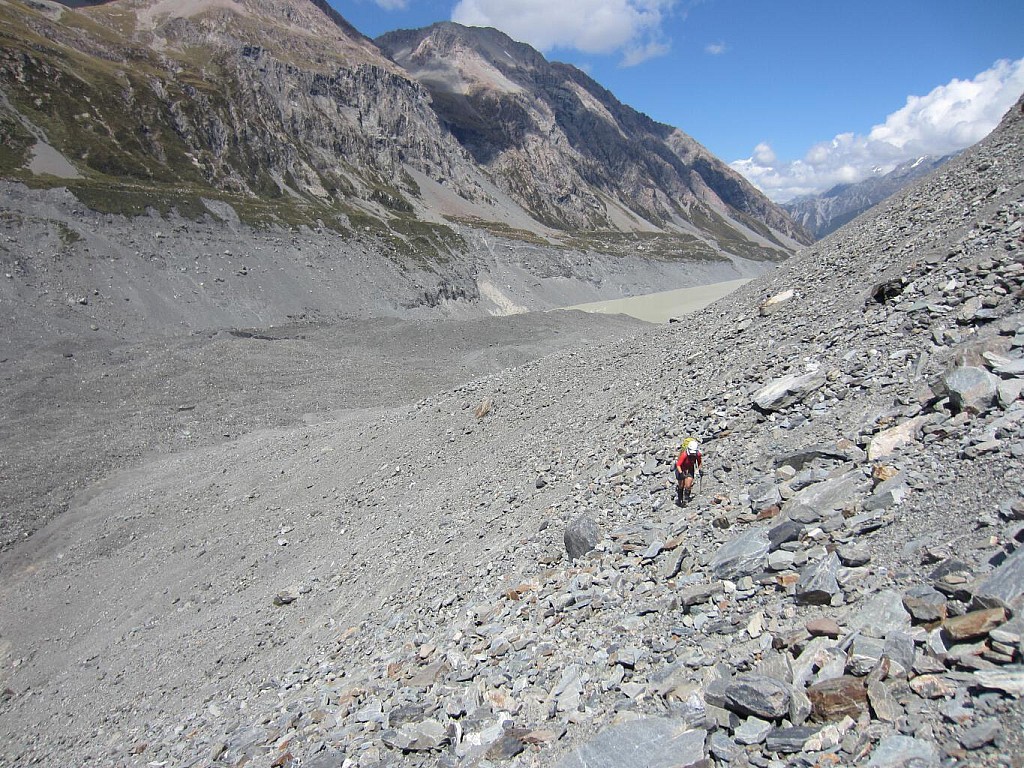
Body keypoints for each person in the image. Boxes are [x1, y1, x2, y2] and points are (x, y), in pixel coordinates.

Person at [674, 437, 703, 505]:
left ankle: (686, 499)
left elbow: (699, 462)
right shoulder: (684, 454)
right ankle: (680, 499)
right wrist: (681, 473)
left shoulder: (698, 454)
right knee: (681, 485)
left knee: (688, 485)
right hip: (681, 469)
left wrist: (700, 469)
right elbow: (678, 465)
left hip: (690, 468)